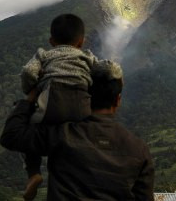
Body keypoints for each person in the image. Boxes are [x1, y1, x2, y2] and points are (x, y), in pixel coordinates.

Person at [0, 62, 155, 201]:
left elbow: (11, 136)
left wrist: (30, 99)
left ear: (87, 96)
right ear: (118, 100)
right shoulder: (139, 150)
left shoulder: (62, 135)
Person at [19, 13, 110, 199]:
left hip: (52, 104)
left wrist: (30, 88)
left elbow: (28, 71)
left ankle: (34, 173)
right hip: (82, 107)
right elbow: (105, 69)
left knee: (26, 128)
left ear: (51, 40)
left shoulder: (43, 54)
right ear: (81, 41)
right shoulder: (86, 56)